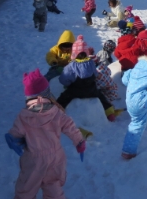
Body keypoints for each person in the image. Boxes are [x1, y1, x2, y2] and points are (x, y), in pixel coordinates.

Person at [6, 68, 85, 199]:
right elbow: (70, 127)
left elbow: (16, 133)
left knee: (28, 185)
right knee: (52, 184)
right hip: (56, 157)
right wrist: (79, 141)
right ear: (47, 94)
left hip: (34, 158)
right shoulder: (56, 112)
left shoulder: (24, 116)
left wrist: (12, 138)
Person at [56, 35, 119, 122]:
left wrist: (68, 84)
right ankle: (110, 113)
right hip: (91, 90)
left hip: (75, 91)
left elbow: (63, 79)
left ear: (74, 53)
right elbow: (96, 75)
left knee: (63, 98)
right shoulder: (91, 62)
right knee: (101, 97)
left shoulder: (70, 66)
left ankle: (56, 112)